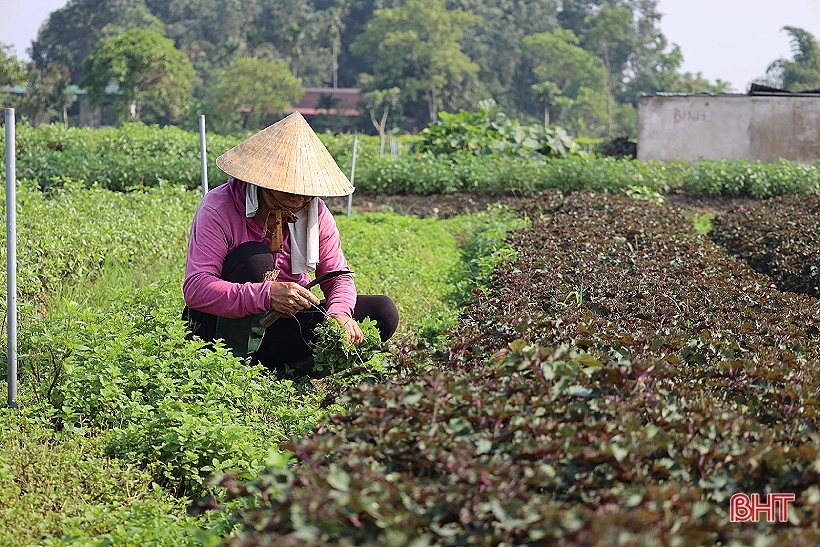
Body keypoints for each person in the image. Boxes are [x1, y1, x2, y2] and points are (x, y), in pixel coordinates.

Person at [182, 112, 399, 378]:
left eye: (306, 191)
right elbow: (196, 289)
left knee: (382, 312)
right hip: (220, 332)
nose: (299, 200)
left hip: (281, 326)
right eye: (290, 190)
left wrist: (340, 314)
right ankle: (232, 371)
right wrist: (267, 294)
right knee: (256, 258)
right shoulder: (220, 208)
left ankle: (288, 369)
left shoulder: (314, 212)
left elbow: (338, 277)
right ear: (264, 183)